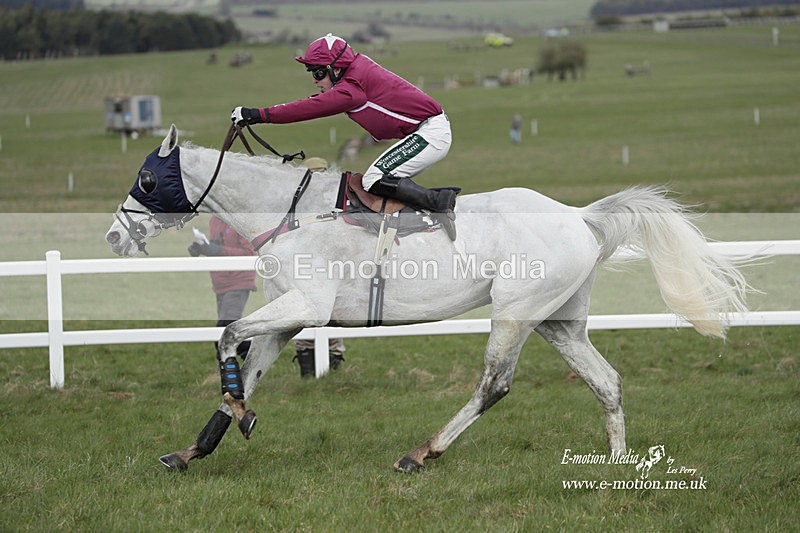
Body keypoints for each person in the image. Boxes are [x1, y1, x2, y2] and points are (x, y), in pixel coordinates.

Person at [229, 33, 458, 241]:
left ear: (336, 69)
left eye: (318, 73)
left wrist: (256, 114)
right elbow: (313, 102)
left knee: (374, 179)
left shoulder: (351, 89)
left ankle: (439, 202)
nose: (315, 80)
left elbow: (309, 108)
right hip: (427, 130)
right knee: (379, 179)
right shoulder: (355, 73)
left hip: (430, 134)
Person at [188, 215, 257, 360]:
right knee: (230, 329)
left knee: (223, 330)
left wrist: (218, 250)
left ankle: (227, 372)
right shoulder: (214, 220)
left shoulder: (240, 221)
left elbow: (250, 254)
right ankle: (252, 359)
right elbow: (218, 245)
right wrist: (201, 248)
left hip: (239, 281)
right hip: (220, 283)